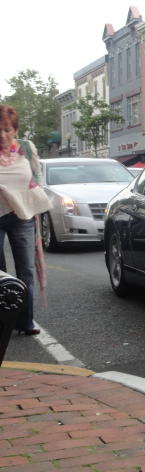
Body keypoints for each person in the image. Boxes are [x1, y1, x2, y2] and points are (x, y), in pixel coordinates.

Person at [0, 105, 52, 335]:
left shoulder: (27, 149)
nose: (2, 135)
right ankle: (3, 320)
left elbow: (37, 177)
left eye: (7, 129)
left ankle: (25, 320)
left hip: (22, 216)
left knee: (26, 270)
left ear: (15, 129)